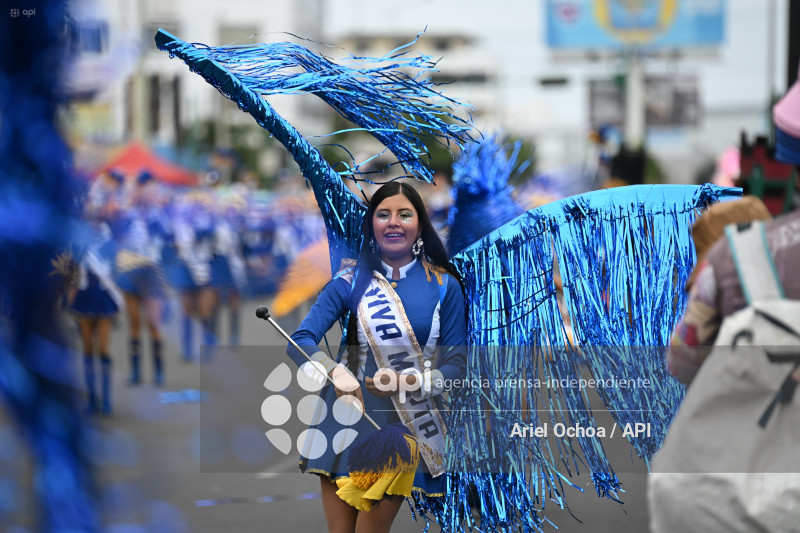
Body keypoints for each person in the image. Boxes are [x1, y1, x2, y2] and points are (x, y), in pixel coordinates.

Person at [287, 182, 467, 533]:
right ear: (371, 224)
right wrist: (334, 372)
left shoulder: (445, 286)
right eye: (383, 214)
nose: (393, 222)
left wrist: (409, 380)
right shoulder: (350, 281)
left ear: (420, 223)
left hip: (404, 425)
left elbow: (457, 366)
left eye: (404, 214)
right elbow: (300, 340)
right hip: (343, 415)